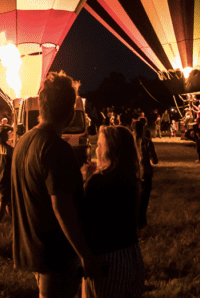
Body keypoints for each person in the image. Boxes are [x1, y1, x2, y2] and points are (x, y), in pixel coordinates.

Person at [12, 71, 102, 297]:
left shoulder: (23, 143)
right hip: (55, 254)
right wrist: (85, 255)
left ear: (41, 106)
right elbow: (61, 206)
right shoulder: (57, 148)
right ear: (71, 111)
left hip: (31, 247)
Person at [80, 125, 144, 298]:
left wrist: (85, 182)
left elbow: (83, 220)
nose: (96, 148)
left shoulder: (96, 183)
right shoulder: (131, 180)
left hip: (106, 258)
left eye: (100, 144)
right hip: (131, 254)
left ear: (110, 149)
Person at [132, 118, 158, 228]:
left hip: (133, 174)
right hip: (145, 174)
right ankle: (141, 220)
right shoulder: (147, 142)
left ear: (132, 130)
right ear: (142, 129)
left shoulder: (129, 142)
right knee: (144, 199)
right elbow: (155, 160)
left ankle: (135, 221)